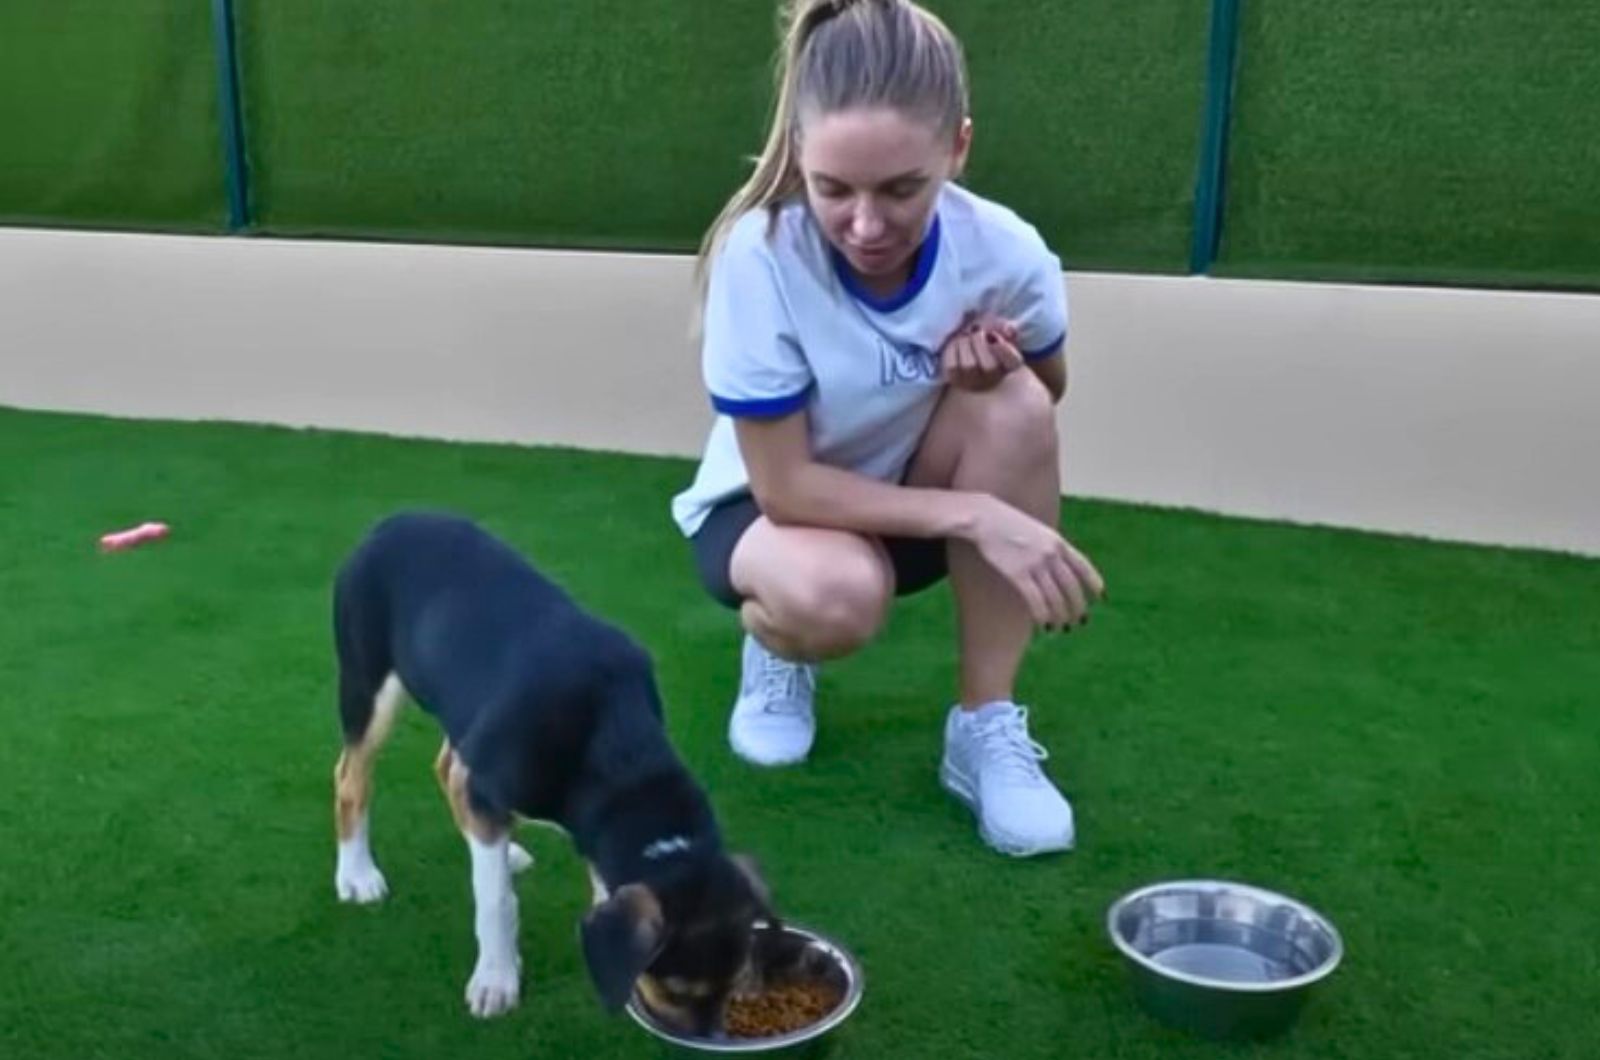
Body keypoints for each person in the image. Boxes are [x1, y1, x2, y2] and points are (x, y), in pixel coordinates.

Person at [669, 0, 1106, 857]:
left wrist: (997, 370)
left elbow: (1047, 390)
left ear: (958, 149)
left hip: (906, 489)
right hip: (771, 516)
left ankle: (984, 730)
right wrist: (978, 517)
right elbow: (784, 485)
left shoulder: (1007, 252)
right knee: (838, 598)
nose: (867, 226)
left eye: (902, 188)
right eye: (834, 188)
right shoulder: (759, 256)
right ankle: (777, 651)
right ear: (799, 156)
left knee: (1011, 403)